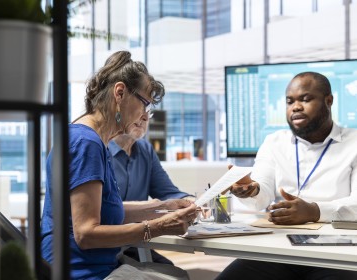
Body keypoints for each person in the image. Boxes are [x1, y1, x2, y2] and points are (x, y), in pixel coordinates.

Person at [41, 51, 198, 280]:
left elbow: (105, 212)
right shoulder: (86, 143)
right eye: (144, 104)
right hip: (81, 273)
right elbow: (86, 234)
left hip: (88, 265)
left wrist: (163, 206)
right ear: (120, 92)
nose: (145, 115)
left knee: (177, 275)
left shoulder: (89, 139)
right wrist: (158, 227)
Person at [217, 71, 357, 280]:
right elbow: (261, 194)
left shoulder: (354, 143)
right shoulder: (274, 142)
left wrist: (313, 211)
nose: (296, 107)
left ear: (329, 101)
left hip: (338, 251)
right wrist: (251, 190)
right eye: (289, 101)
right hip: (280, 248)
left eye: (306, 99)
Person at [109, 134, 193, 264]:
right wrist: (155, 209)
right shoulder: (99, 148)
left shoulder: (145, 149)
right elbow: (101, 209)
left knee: (171, 271)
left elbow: (166, 191)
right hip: (106, 244)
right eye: (141, 112)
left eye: (149, 112)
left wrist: (190, 201)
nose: (145, 117)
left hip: (136, 242)